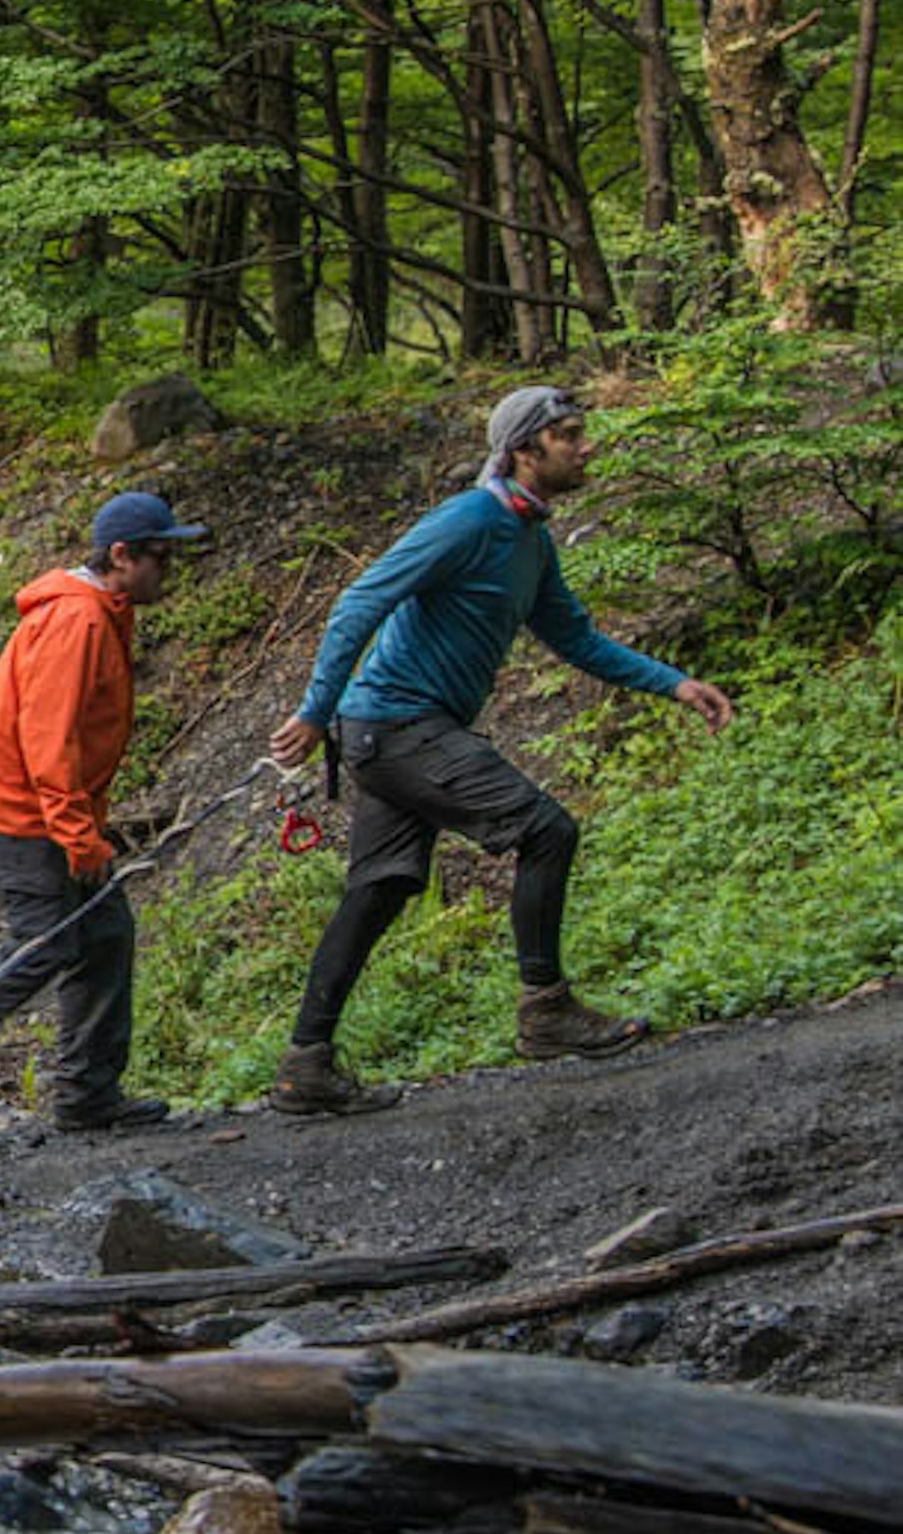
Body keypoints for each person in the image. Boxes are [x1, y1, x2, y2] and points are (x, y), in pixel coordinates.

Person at [262, 384, 736, 1116]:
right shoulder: (468, 520)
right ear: (524, 450)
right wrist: (314, 711)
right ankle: (544, 1009)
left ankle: (305, 1065)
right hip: (396, 726)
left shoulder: (530, 539)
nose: (586, 447)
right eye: (570, 435)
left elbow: (574, 638)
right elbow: (361, 601)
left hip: (403, 730)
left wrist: (672, 684)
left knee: (379, 889)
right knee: (546, 829)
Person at [0, 492, 206, 1138]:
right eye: (161, 556)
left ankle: (86, 1095)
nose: (170, 569)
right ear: (121, 556)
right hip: (20, 814)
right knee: (42, 944)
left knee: (105, 935)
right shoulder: (75, 622)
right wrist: (78, 837)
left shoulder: (102, 612)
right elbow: (48, 741)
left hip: (41, 810)